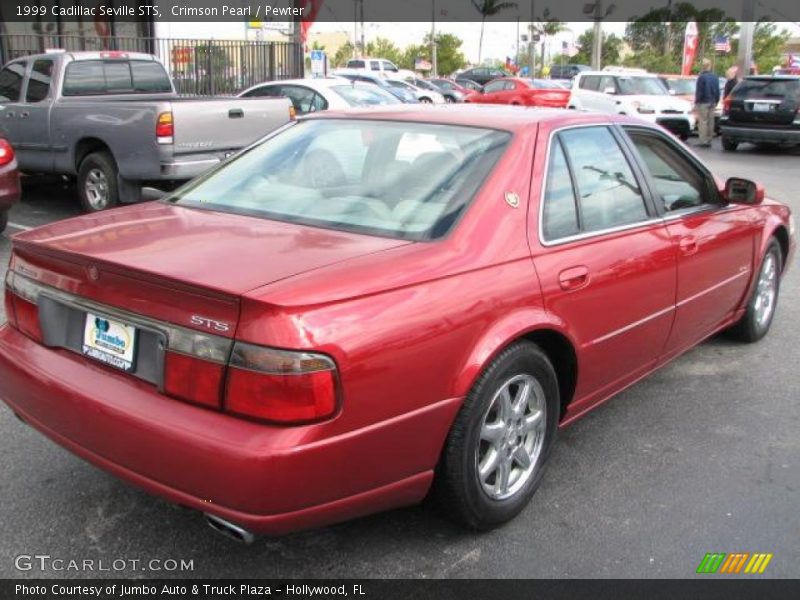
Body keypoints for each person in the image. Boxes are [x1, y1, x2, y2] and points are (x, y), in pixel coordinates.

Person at [694, 58, 720, 147]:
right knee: (711, 121)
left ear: (703, 67)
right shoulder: (715, 77)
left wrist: (696, 102)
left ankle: (703, 140)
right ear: (710, 66)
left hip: (703, 102)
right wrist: (716, 100)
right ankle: (709, 139)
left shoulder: (701, 77)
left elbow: (699, 91)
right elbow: (717, 90)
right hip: (712, 101)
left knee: (703, 121)